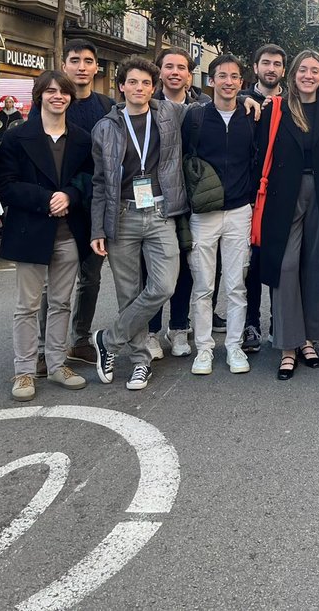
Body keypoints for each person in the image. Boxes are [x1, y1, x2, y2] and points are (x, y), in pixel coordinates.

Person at [88, 56, 189, 392]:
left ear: (153, 87)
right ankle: (140, 362)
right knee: (128, 294)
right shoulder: (105, 127)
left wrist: (250, 99)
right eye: (133, 82)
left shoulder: (168, 113)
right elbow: (100, 182)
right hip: (123, 215)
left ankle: (109, 338)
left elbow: (207, 108)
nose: (140, 88)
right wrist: (97, 228)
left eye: (146, 83)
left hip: (160, 213)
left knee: (163, 286)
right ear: (121, 86)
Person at [0, 71, 92, 401]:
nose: (57, 97)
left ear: (70, 98)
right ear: (40, 97)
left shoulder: (80, 138)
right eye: (50, 91)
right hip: (31, 229)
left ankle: (57, 364)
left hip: (68, 232)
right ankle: (24, 371)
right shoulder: (17, 137)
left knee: (62, 302)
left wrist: (70, 195)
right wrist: (45, 199)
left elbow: (88, 177)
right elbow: (3, 183)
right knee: (27, 306)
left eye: (63, 92)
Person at [258, 51, 319, 380]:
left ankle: (308, 338)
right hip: (284, 197)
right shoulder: (275, 111)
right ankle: (286, 344)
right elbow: (259, 156)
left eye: (315, 70)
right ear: (293, 75)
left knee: (316, 266)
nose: (309, 75)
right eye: (303, 70)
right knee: (286, 265)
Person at [182, 54, 258, 376]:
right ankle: (204, 348)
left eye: (234, 77)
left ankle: (235, 346)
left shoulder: (252, 118)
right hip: (204, 214)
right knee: (202, 285)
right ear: (210, 81)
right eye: (222, 76)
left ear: (241, 82)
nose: (228, 81)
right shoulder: (195, 119)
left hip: (240, 211)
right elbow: (185, 161)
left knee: (236, 285)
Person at [148, 46, 210, 360]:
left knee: (187, 266)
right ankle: (151, 332)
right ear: (159, 71)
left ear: (189, 74)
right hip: (157, 198)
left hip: (193, 198)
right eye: (169, 66)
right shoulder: (146, 105)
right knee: (155, 268)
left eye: (181, 67)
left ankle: (179, 328)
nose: (175, 72)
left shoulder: (203, 106)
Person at [59, 39, 116, 368]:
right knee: (55, 283)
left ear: (97, 68)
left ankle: (80, 339)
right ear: (64, 64)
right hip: (62, 205)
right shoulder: (54, 101)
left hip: (97, 205)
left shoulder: (108, 106)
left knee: (90, 278)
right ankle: (45, 346)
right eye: (75, 59)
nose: (82, 66)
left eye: (88, 61)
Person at [238, 43, 287, 354]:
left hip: (283, 196)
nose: (271, 68)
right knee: (252, 266)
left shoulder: (292, 103)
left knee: (282, 263)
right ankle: (251, 323)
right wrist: (244, 99)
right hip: (250, 195)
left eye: (277, 64)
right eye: (265, 62)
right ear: (254, 67)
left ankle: (280, 323)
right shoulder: (243, 102)